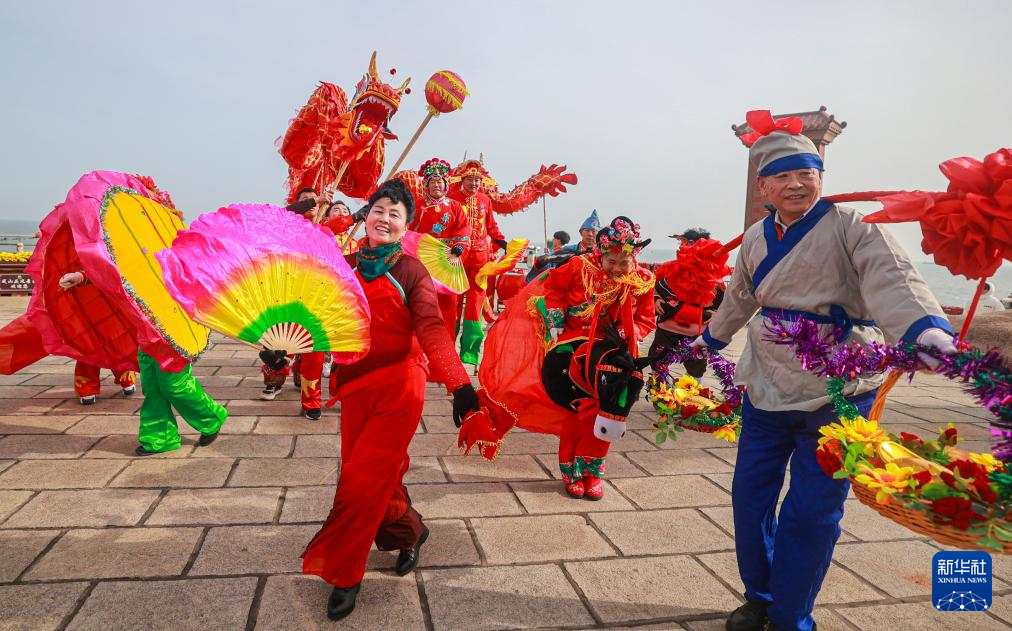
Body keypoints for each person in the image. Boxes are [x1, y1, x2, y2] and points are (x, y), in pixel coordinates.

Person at [691, 120, 956, 631]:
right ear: (764, 188)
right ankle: (760, 596)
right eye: (782, 176)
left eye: (806, 173)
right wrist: (711, 338)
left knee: (811, 513)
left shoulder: (856, 224)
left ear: (821, 175)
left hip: (841, 389)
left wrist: (924, 331)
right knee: (750, 499)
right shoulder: (754, 239)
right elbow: (741, 297)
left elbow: (893, 278)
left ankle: (793, 617)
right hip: (766, 384)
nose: (796, 184)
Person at [301, 178, 480, 621]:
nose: (385, 218)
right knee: (373, 472)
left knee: (360, 480)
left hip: (401, 385)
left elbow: (432, 329)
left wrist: (460, 383)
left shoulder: (412, 272)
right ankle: (409, 532)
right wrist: (285, 345)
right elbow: (319, 318)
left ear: (405, 227)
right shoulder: (342, 265)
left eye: (395, 214)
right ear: (369, 216)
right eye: (379, 209)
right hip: (355, 386)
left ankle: (345, 573)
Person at [539, 216, 655, 499]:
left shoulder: (642, 281)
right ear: (601, 255)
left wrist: (631, 334)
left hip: (614, 353)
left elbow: (646, 319)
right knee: (576, 412)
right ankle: (570, 471)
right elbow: (552, 288)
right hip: (573, 344)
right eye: (611, 261)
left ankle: (593, 471)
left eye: (623, 262)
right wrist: (555, 322)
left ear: (633, 259)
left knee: (610, 410)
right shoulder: (579, 266)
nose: (616, 268)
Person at [59, 271, 227, 455]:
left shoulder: (169, 244)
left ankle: (211, 418)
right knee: (153, 388)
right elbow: (115, 268)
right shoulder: (129, 245)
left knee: (174, 385)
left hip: (174, 327)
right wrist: (83, 277)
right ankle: (160, 439)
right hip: (146, 332)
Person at [447, 159, 508, 364]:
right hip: (457, 255)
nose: (474, 183)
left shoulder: (485, 200)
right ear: (462, 180)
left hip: (480, 256)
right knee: (453, 300)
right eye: (470, 179)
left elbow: (491, 225)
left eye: (477, 179)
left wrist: (501, 243)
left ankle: (469, 352)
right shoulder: (452, 198)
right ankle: (447, 347)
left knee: (476, 301)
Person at [408, 158, 472, 339]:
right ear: (426, 185)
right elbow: (407, 231)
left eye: (440, 182)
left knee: (447, 302)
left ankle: (445, 343)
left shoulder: (455, 206)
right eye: (432, 182)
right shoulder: (417, 205)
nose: (436, 185)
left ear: (446, 185)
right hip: (421, 259)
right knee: (419, 298)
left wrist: (459, 246)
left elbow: (464, 228)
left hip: (447, 258)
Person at [649, 228, 725, 378]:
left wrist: (717, 314)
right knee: (657, 360)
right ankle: (660, 393)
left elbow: (726, 304)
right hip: (668, 328)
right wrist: (656, 299)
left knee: (696, 368)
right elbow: (651, 286)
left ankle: (692, 396)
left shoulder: (713, 279)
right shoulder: (670, 269)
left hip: (696, 333)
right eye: (684, 244)